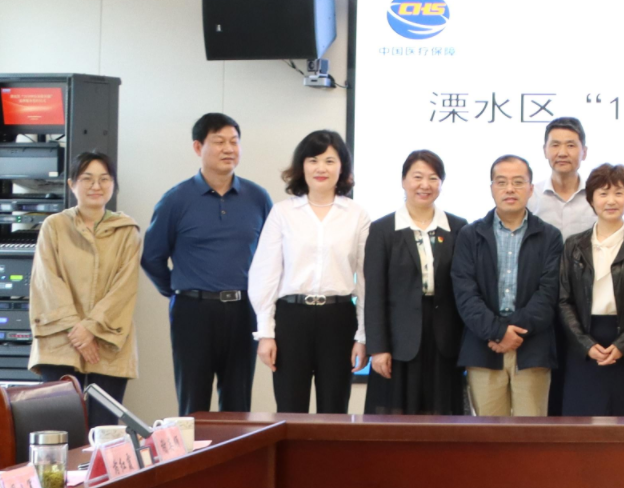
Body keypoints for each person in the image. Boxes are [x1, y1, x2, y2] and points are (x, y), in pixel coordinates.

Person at [141, 113, 273, 415]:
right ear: (198, 147)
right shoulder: (176, 199)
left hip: (244, 311)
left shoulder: (257, 197)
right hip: (193, 312)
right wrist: (179, 291)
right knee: (193, 404)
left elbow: (273, 257)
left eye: (234, 142)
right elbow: (152, 257)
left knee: (238, 405)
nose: (229, 149)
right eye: (219, 142)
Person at [249, 130, 370, 414]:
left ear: (342, 167)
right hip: (291, 320)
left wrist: (362, 336)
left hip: (338, 319)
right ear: (301, 165)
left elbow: (367, 280)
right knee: (290, 410)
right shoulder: (283, 213)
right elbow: (265, 274)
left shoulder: (357, 215)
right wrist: (265, 333)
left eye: (329, 161)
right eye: (313, 160)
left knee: (335, 410)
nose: (320, 168)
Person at [29, 152, 141, 428]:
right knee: (60, 429)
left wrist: (91, 328)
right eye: (87, 179)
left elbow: (124, 289)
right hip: (60, 339)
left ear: (113, 184)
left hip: (109, 341)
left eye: (104, 179)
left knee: (104, 431)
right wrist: (76, 330)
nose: (96, 186)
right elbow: (47, 282)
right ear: (72, 184)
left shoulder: (127, 231)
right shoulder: (54, 226)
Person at [453, 155, 563, 417]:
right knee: (489, 435)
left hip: (532, 348)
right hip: (483, 347)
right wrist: (497, 332)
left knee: (531, 434)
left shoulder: (549, 236)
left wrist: (511, 332)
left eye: (518, 182)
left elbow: (548, 294)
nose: (510, 189)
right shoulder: (470, 235)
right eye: (501, 182)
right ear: (492, 188)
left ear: (531, 188)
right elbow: (465, 293)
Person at [363, 150, 469, 415]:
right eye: (417, 177)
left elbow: (465, 289)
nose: (425, 185)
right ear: (403, 181)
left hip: (445, 339)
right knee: (396, 419)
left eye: (433, 178)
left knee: (442, 416)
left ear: (441, 183)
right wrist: (378, 348)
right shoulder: (382, 229)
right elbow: (374, 293)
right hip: (399, 340)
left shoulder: (458, 227)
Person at [558, 164, 624, 416]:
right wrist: (585, 344)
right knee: (581, 424)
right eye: (603, 193)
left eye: (618, 193)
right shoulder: (573, 245)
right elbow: (563, 300)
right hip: (583, 345)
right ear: (591, 199)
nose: (611, 201)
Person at [528, 116, 596, 416]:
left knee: (580, 389)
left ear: (584, 151)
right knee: (545, 389)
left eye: (571, 145)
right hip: (539, 305)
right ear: (545, 150)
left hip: (585, 307)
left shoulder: (598, 196)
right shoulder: (530, 197)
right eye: (555, 145)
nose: (562, 152)